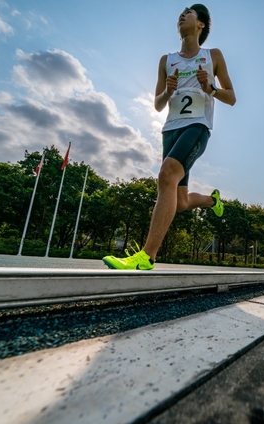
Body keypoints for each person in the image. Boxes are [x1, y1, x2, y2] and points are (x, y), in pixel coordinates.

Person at [103, 4, 236, 270]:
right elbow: (157, 104)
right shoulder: (166, 60)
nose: (182, 14)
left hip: (197, 126)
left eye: (189, 12)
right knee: (181, 200)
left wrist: (210, 88)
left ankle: (146, 256)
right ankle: (213, 201)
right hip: (170, 129)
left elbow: (231, 97)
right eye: (181, 12)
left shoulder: (213, 55)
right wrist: (168, 90)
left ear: (201, 24)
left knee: (166, 175)